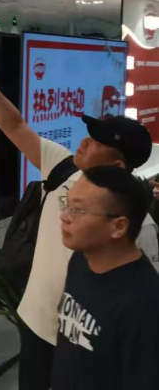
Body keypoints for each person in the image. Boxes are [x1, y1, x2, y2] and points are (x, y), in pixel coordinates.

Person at [0, 48, 158, 390]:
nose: (84, 142)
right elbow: (14, 125)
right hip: (35, 320)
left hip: (87, 341)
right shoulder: (63, 167)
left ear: (117, 166)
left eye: (96, 142)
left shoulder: (138, 225)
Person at [53, 166, 159, 389]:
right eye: (66, 205)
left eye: (78, 210)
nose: (64, 217)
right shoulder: (81, 259)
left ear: (118, 226)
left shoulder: (144, 305)